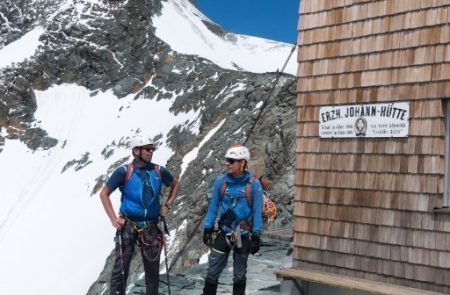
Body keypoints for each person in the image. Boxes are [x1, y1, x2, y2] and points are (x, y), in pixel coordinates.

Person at [100, 134, 180, 295]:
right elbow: (104, 193)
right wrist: (113, 219)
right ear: (136, 151)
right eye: (147, 149)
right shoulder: (124, 171)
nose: (151, 152)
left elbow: (175, 184)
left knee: (152, 270)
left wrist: (168, 205)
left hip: (150, 225)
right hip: (128, 224)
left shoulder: (158, 170)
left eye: (152, 149)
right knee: (121, 269)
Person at [202, 144, 263, 295]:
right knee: (212, 271)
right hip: (224, 232)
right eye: (227, 160)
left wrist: (256, 234)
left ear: (242, 163)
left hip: (243, 234)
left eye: (231, 161)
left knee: (239, 275)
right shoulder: (221, 182)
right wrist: (207, 227)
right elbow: (213, 205)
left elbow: (257, 212)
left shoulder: (254, 185)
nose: (227, 163)